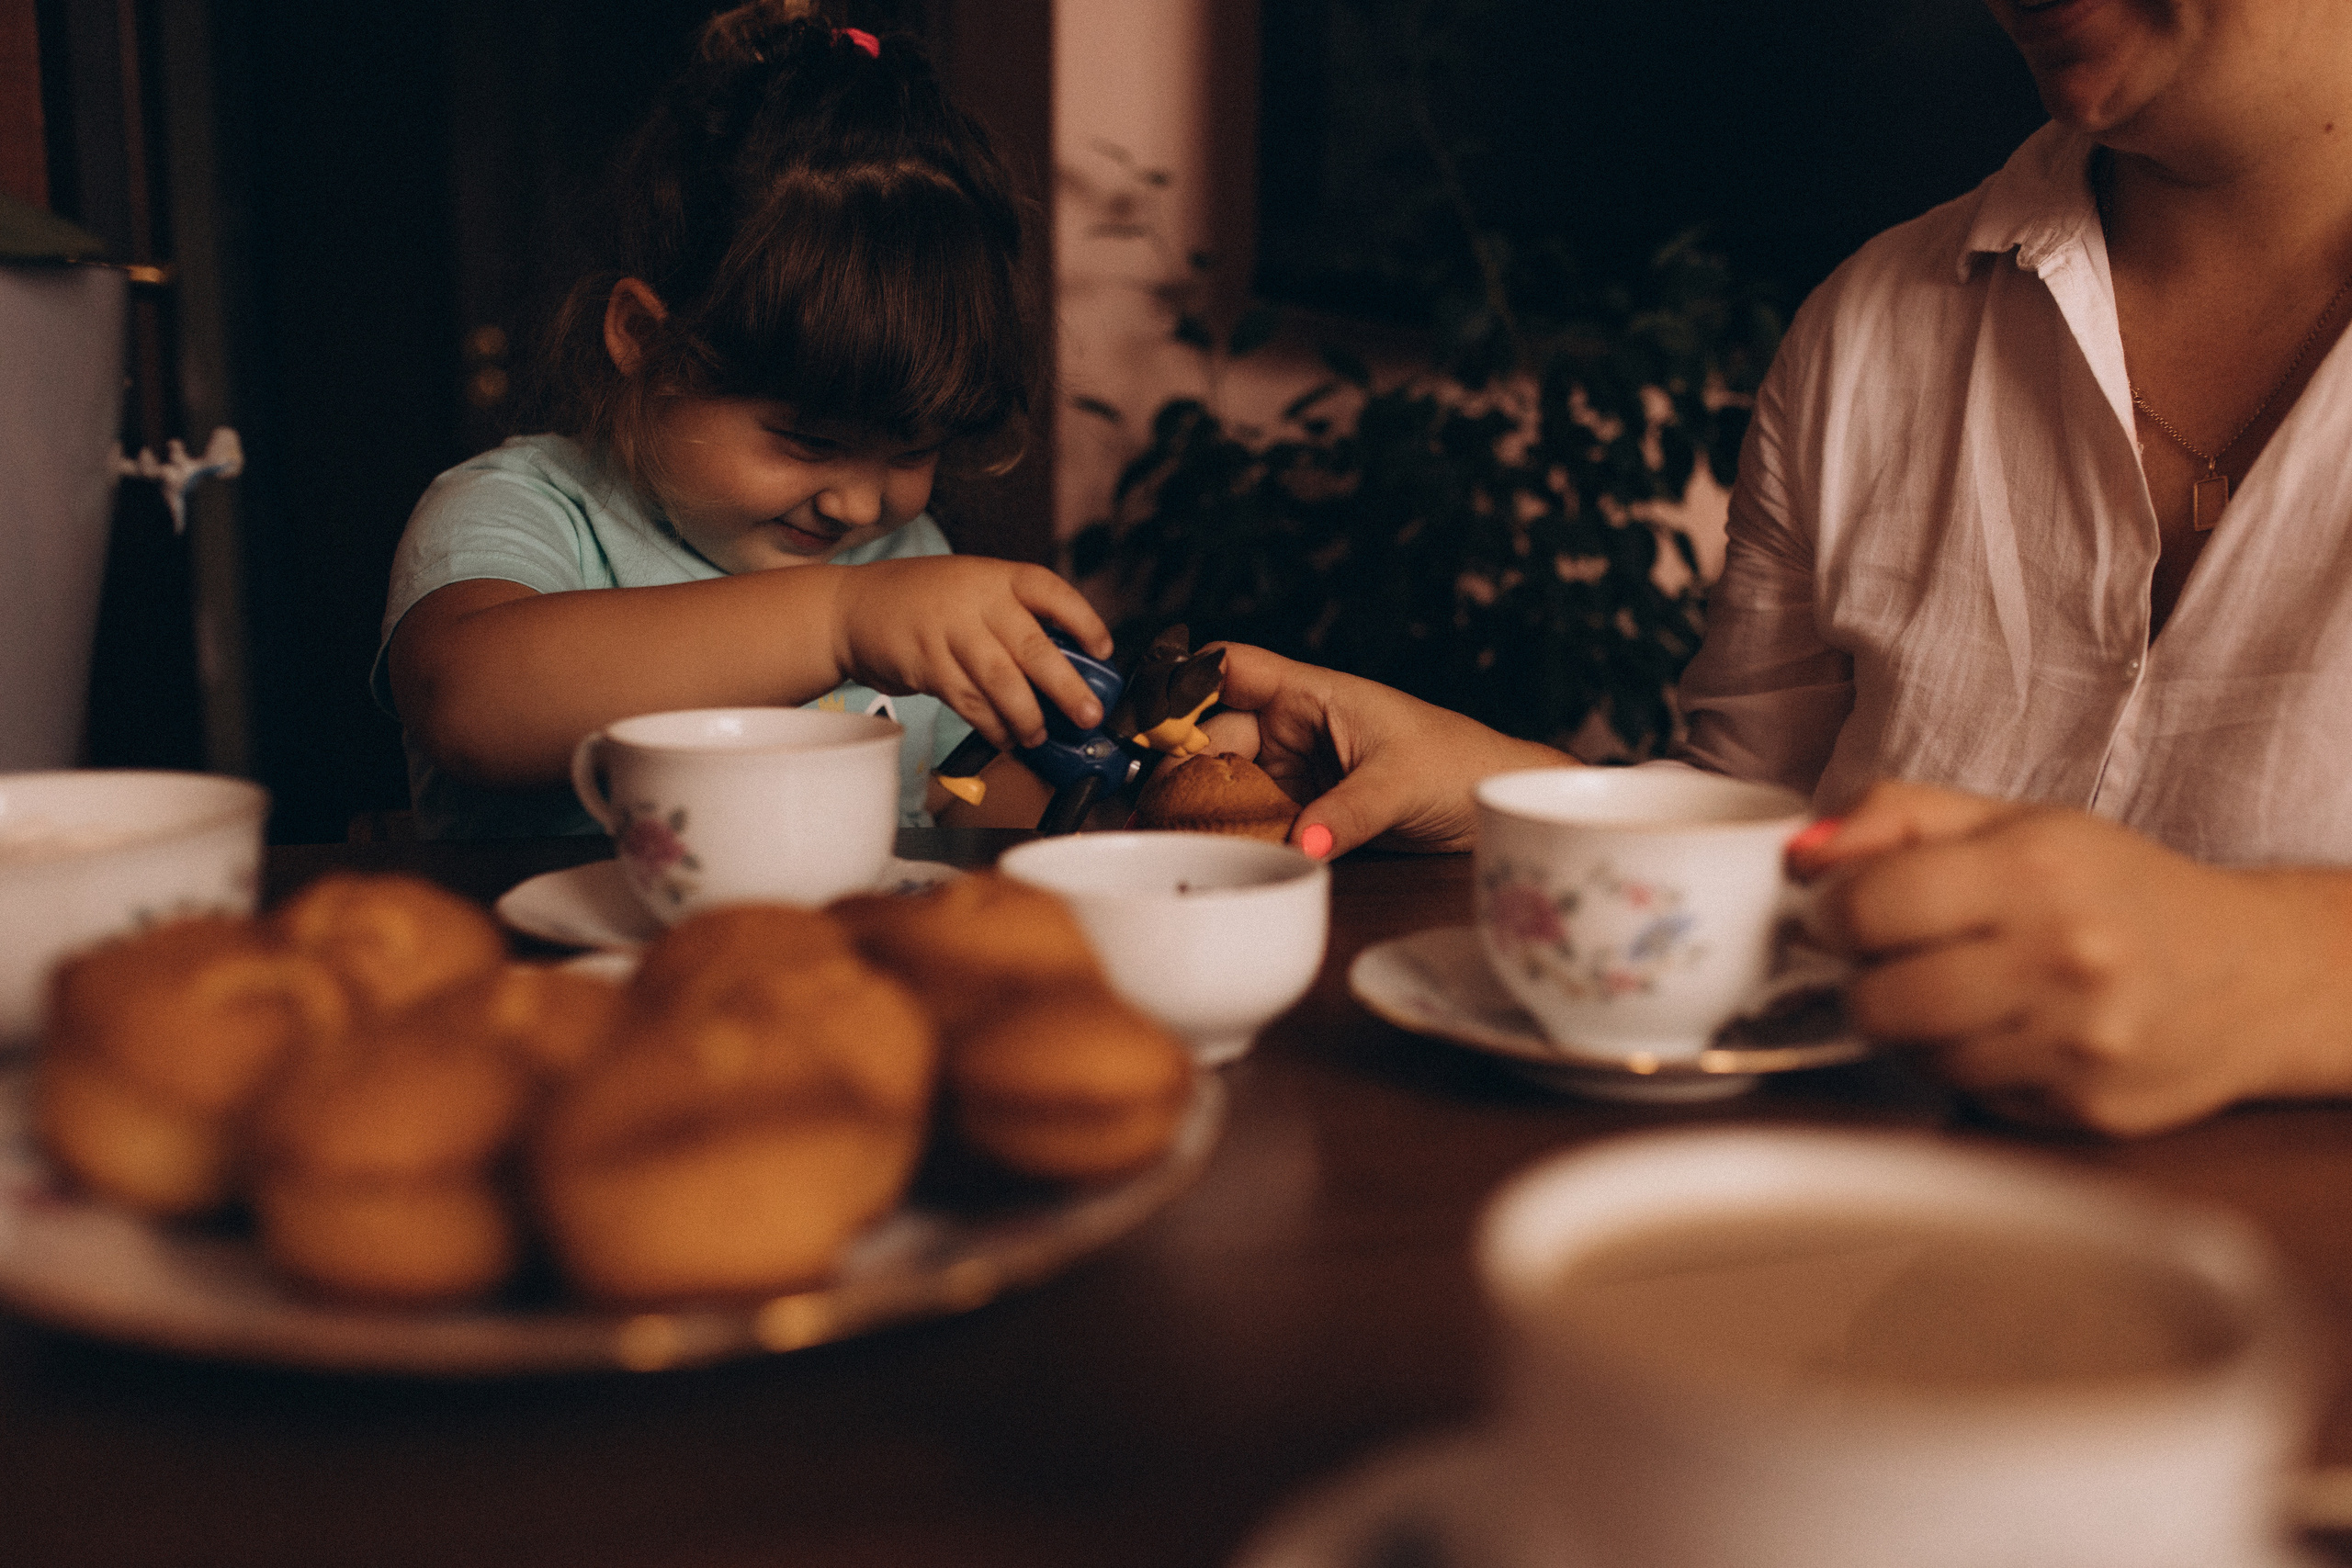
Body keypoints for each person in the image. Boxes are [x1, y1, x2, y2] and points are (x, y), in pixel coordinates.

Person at [1204, 0, 2352, 1135]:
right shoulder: (1865, 329)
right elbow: (1774, 843)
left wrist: (2268, 969)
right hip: (1854, 1262)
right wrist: (1516, 793)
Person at [374, 0, 1108, 840]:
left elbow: (941, 799)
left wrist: (1166, 792)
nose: (859, 508)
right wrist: (842, 619)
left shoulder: (900, 557)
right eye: (810, 442)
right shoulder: (524, 512)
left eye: (913, 451)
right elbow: (466, 704)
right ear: (647, 339)